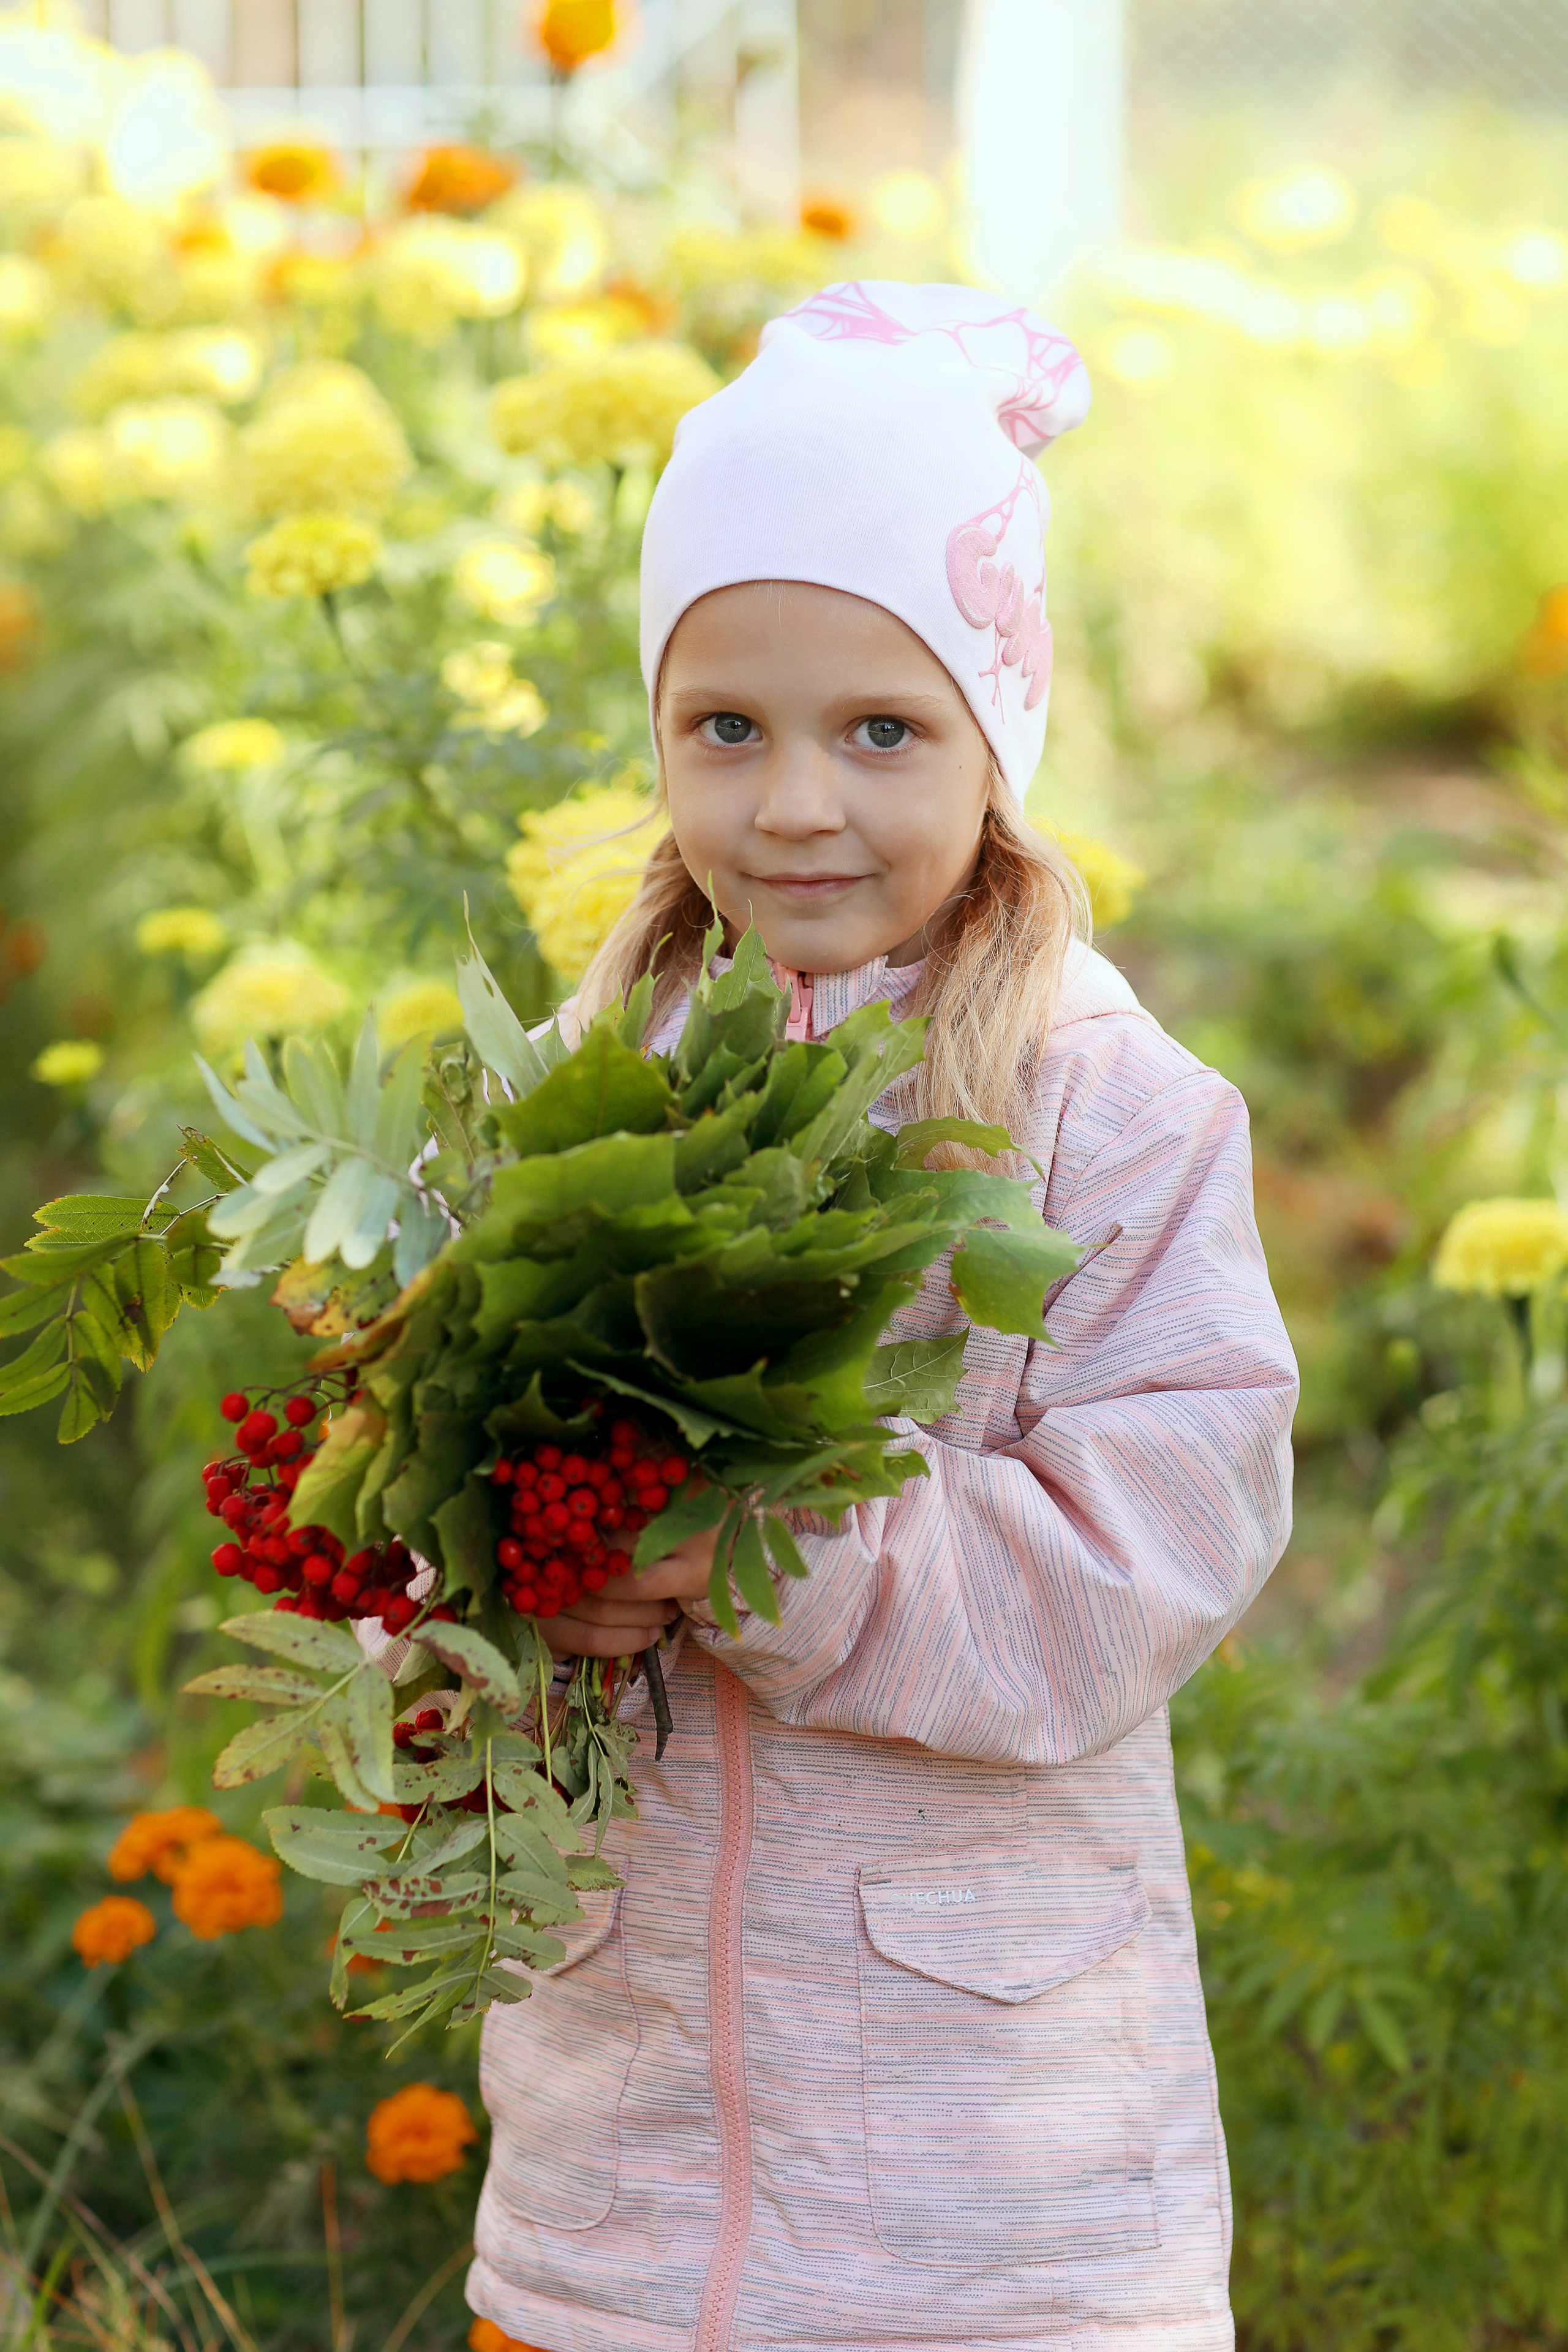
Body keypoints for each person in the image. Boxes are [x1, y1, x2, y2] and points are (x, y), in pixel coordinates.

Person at [466, 281, 1298, 2352]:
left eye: (883, 729)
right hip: (620, 2168)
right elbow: (454, 1446)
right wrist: (507, 1572)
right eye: (723, 726)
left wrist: (758, 1545)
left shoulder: (1107, 1113)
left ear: (1000, 741)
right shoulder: (580, 1093)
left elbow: (1157, 1544)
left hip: (987, 2195)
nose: (798, 802)